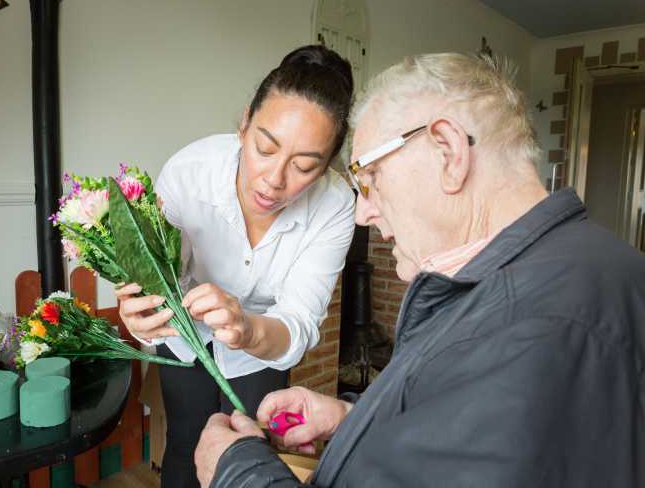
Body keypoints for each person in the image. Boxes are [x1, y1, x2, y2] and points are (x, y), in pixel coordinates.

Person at [195, 53, 645, 487]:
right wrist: (352, 419)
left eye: (369, 179)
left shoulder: (534, 329)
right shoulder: (578, 270)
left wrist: (236, 471)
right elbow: (458, 432)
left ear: (448, 152)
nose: (362, 213)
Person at [116, 45, 356, 488]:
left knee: (252, 448)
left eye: (305, 166)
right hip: (185, 332)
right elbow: (159, 278)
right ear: (245, 124)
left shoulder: (336, 205)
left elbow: (298, 320)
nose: (274, 180)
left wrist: (246, 330)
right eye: (265, 148)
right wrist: (142, 313)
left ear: (326, 167)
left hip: (263, 338)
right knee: (187, 442)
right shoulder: (190, 172)